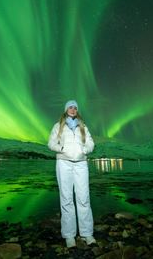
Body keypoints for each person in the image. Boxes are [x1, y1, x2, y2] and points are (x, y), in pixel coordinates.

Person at [48, 100, 96, 248]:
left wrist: (84, 150)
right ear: (66, 109)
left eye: (75, 107)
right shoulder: (58, 126)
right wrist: (62, 149)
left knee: (83, 198)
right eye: (70, 107)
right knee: (67, 198)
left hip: (81, 164)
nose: (73, 109)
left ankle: (87, 233)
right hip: (64, 163)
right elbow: (51, 143)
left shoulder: (83, 127)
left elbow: (91, 143)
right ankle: (69, 236)